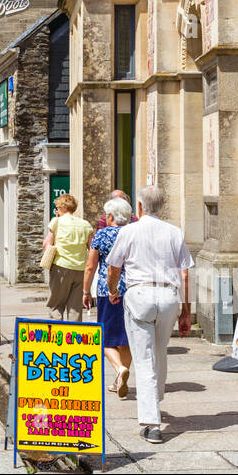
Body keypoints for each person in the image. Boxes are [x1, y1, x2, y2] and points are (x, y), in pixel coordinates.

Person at [104, 185, 194, 444]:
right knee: (159, 351)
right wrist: (186, 311)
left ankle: (151, 423)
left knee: (143, 360)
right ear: (161, 206)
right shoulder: (174, 232)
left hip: (139, 295)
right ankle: (156, 398)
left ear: (140, 207)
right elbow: (185, 273)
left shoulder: (129, 231)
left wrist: (112, 290)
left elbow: (114, 267)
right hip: (168, 296)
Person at [84, 197, 134, 399]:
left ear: (111, 216)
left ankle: (120, 369)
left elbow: (90, 266)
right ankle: (118, 380)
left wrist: (86, 291)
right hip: (132, 290)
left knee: (105, 338)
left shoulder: (102, 235)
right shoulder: (133, 233)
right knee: (127, 338)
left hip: (108, 290)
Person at [44, 193, 92, 321]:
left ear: (64, 208)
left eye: (58, 208)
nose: (57, 211)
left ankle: (57, 336)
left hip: (61, 266)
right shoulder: (85, 224)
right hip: (80, 269)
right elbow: (91, 247)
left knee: (56, 305)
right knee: (75, 307)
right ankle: (74, 338)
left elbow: (46, 244)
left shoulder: (56, 222)